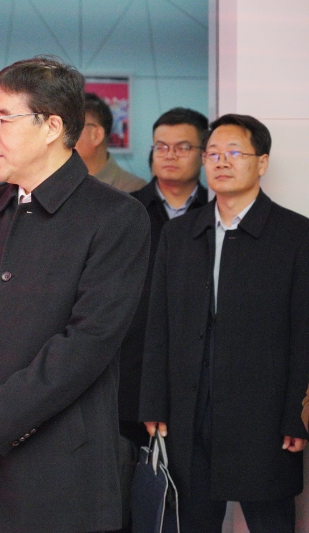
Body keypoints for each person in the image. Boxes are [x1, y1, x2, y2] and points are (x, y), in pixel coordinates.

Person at [0, 56, 150, 532]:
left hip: (58, 473)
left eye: (3, 120)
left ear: (52, 126)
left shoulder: (116, 217)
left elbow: (87, 343)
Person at [139, 114, 309, 532]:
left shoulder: (295, 234)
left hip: (264, 412)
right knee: (192, 517)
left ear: (262, 162)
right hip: (190, 405)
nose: (221, 162)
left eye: (234, 153)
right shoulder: (179, 235)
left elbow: (304, 331)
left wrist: (297, 414)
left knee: (271, 519)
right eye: (212, 153)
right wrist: (154, 403)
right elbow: (158, 326)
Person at [113, 107, 210, 531]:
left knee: (192, 503)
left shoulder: (217, 213)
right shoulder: (125, 211)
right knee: (129, 495)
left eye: (182, 147)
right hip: (132, 374)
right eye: (161, 146)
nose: (169, 155)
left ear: (203, 154)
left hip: (199, 376)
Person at [74, 92, 145, 193]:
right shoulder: (60, 182)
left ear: (96, 135)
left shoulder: (134, 189)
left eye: (72, 128)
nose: (63, 137)